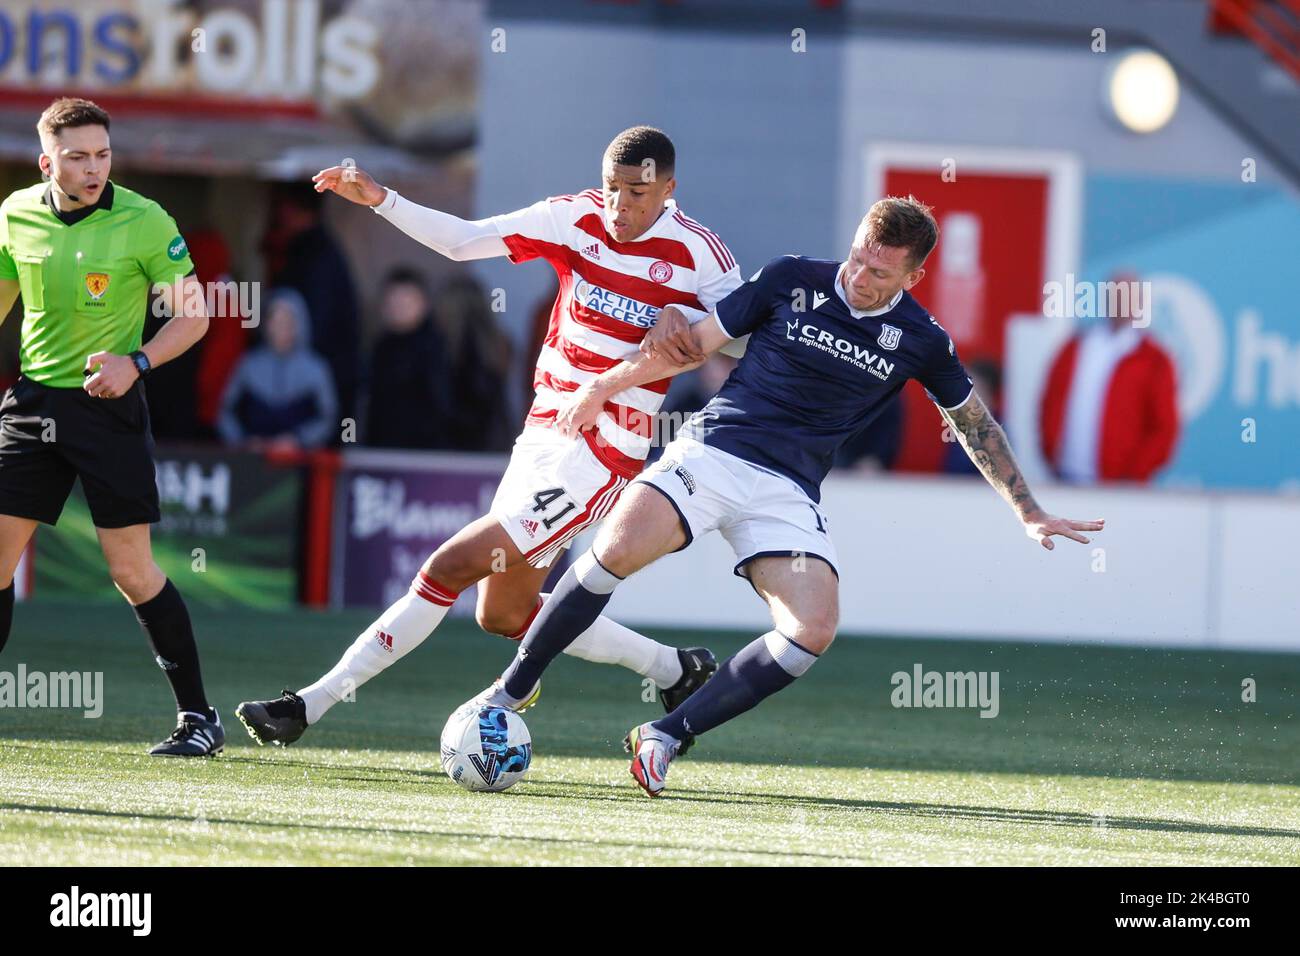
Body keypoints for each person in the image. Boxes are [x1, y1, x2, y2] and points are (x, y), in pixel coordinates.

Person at [465, 195, 1105, 797]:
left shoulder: (922, 340)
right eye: (858, 255)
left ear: (913, 276)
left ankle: (665, 734)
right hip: (714, 453)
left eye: (880, 271)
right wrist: (606, 386)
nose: (859, 275)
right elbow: (694, 345)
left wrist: (1028, 510)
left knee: (813, 628)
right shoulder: (792, 277)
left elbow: (974, 425)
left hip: (786, 492)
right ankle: (506, 694)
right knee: (615, 551)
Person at [236, 126, 743, 750]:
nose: (620, 206)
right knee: (501, 613)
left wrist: (696, 325)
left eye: (637, 193)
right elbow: (464, 241)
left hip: (601, 455)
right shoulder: (573, 217)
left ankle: (308, 706)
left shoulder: (701, 255)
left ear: (668, 188)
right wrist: (381, 199)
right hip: (542, 433)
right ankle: (673, 668)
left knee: (447, 566)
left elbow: (745, 338)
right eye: (613, 188)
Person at [0, 98, 221, 756]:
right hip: (34, 404)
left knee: (131, 571)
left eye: (102, 154)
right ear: (48, 163)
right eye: (77, 157)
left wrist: (138, 361)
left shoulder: (146, 220)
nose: (93, 168)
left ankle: (198, 719)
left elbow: (196, 314)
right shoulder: (14, 215)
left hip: (109, 407)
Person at [1038, 271, 1178, 483]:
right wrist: (1050, 449)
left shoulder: (1153, 358)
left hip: (1119, 487)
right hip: (1067, 478)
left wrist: (1134, 475)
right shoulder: (1076, 347)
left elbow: (1163, 427)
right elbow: (1050, 401)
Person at [263, 183, 361, 427]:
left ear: (291, 209)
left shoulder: (316, 255)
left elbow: (318, 319)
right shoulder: (312, 249)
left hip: (325, 373)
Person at [217, 288, 337, 451]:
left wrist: (299, 440)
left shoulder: (316, 369)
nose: (281, 328)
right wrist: (242, 442)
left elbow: (328, 417)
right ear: (266, 324)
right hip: (253, 459)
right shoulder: (248, 366)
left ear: (299, 324)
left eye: (287, 321)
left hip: (300, 461)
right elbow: (225, 412)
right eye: (276, 321)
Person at [363, 267, 457, 450]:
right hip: (383, 450)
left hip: (425, 454)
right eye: (393, 303)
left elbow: (442, 408)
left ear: (424, 304)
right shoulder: (380, 348)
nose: (399, 310)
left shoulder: (437, 349)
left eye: (406, 303)